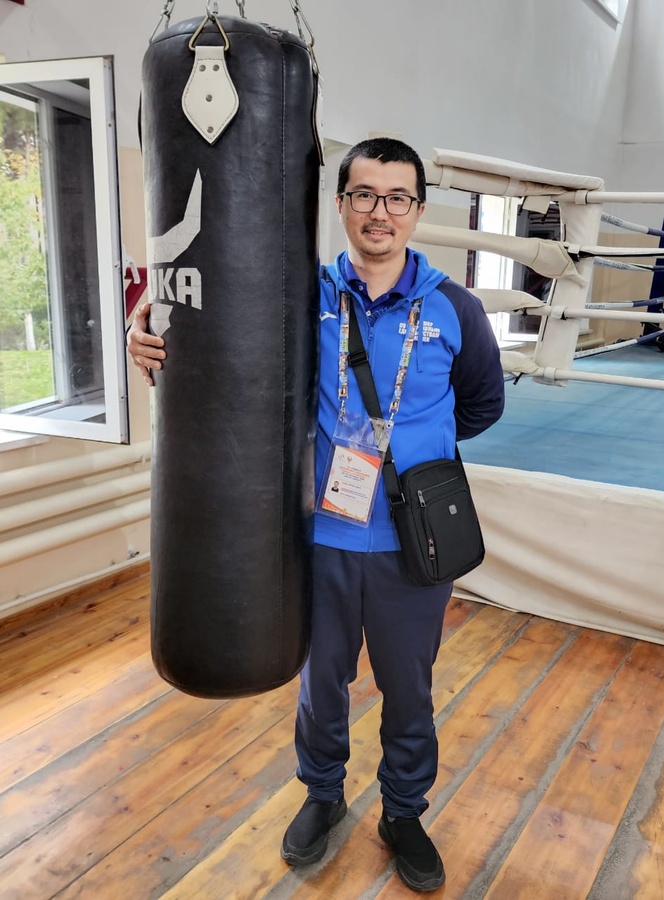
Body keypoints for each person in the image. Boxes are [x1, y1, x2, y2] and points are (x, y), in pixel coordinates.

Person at [127, 137, 504, 892]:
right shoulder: (297, 295)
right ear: (339, 204)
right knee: (319, 682)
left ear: (417, 211)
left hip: (411, 544)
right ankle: (323, 796)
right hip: (314, 538)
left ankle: (402, 811)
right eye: (364, 194)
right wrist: (148, 332)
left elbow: (481, 404)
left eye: (397, 197)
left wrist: (411, 452)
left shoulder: (454, 307)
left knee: (408, 689)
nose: (379, 212)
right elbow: (212, 330)